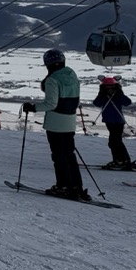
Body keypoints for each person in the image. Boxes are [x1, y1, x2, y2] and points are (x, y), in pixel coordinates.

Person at [21, 49, 88, 201]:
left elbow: (51, 103)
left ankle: (63, 186)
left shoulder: (52, 80)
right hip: (70, 121)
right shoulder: (72, 75)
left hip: (56, 123)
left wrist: (33, 107)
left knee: (59, 156)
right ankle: (76, 186)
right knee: (69, 155)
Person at [92, 75, 136, 170]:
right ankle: (122, 160)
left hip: (118, 122)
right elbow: (96, 103)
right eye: (107, 88)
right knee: (114, 142)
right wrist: (101, 94)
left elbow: (127, 102)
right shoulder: (104, 96)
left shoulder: (118, 96)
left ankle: (121, 160)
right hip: (110, 122)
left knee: (115, 142)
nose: (109, 90)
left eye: (111, 88)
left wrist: (120, 94)